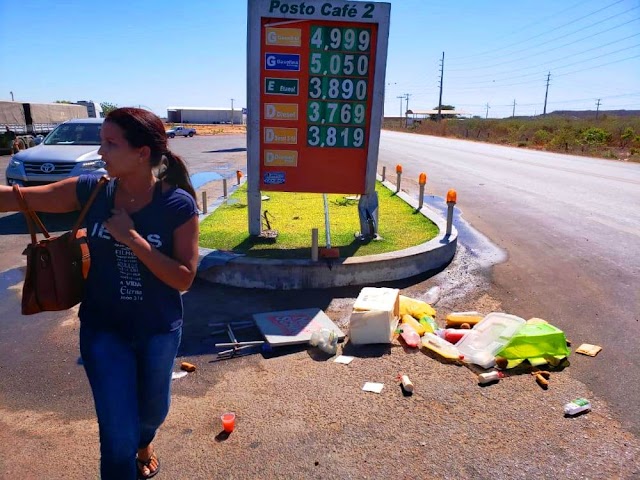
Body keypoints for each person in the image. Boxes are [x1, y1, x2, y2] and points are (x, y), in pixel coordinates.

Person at [0, 107, 200, 479]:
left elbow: (184, 278)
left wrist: (132, 238)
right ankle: (129, 452)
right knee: (116, 436)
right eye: (101, 142)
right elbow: (20, 199)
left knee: (153, 412)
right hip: (103, 330)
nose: (101, 151)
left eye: (110, 143)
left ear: (142, 153)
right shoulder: (92, 191)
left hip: (158, 329)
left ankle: (145, 442)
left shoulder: (176, 204)